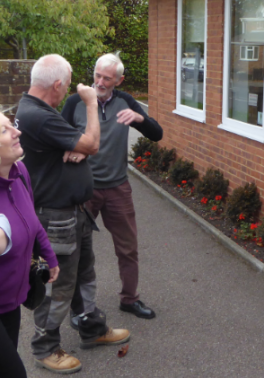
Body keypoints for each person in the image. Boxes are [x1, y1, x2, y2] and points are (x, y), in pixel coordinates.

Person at [15, 54, 130, 374]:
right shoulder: (39, 115)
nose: (69, 90)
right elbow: (92, 143)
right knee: (59, 284)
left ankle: (91, 328)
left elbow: (77, 144)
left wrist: (78, 146)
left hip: (73, 212)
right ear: (56, 85)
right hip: (57, 215)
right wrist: (91, 103)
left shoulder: (35, 110)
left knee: (84, 277)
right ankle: (45, 347)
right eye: (65, 85)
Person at [62, 53, 163, 320]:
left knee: (128, 248)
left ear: (119, 80)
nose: (100, 82)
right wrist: (76, 149)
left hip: (118, 188)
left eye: (107, 78)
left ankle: (129, 300)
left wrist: (140, 119)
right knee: (74, 249)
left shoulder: (125, 101)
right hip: (84, 190)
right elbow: (58, 139)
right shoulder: (76, 102)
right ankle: (78, 307)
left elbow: (157, 134)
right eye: (97, 75)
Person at [0, 112, 59, 378]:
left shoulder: (20, 172)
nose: (16, 132)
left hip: (11, 298)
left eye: (11, 124)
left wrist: (48, 255)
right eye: (3, 130)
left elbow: (32, 220)